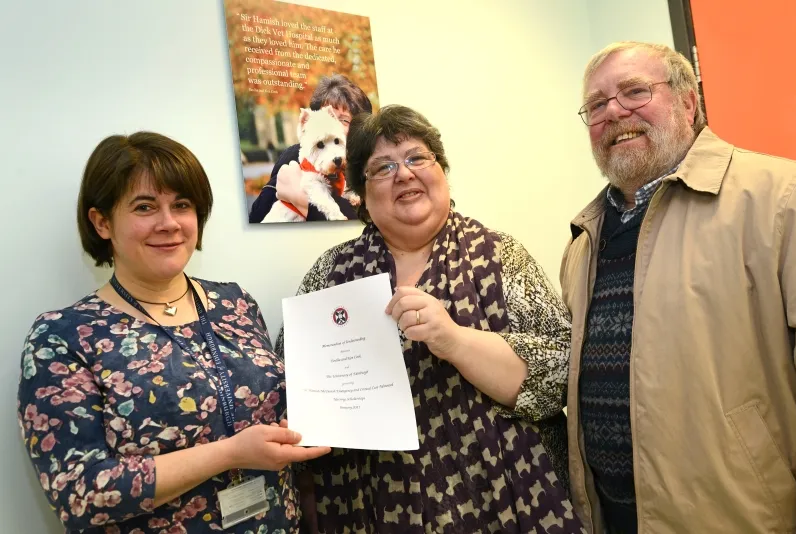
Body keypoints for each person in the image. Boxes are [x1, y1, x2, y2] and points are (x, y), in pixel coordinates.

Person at [278, 105, 586, 533]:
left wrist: (454, 340)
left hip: (508, 499)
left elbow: (561, 379)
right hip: (374, 505)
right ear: (361, 196)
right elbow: (291, 387)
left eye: (416, 158)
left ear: (441, 170)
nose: (403, 174)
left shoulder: (500, 255)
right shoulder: (330, 275)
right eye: (382, 167)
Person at [17, 132, 329, 533]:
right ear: (102, 222)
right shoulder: (63, 337)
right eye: (145, 207)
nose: (169, 223)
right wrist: (230, 454)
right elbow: (80, 494)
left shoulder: (235, 303)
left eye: (182, 205)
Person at [562, 41, 796, 533]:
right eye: (597, 105)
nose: (614, 113)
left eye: (633, 91)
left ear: (688, 102)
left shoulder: (780, 199)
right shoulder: (584, 240)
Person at [248, 74, 373, 223]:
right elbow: (257, 216)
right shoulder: (295, 158)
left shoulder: (370, 167)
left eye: (343, 119)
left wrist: (302, 201)